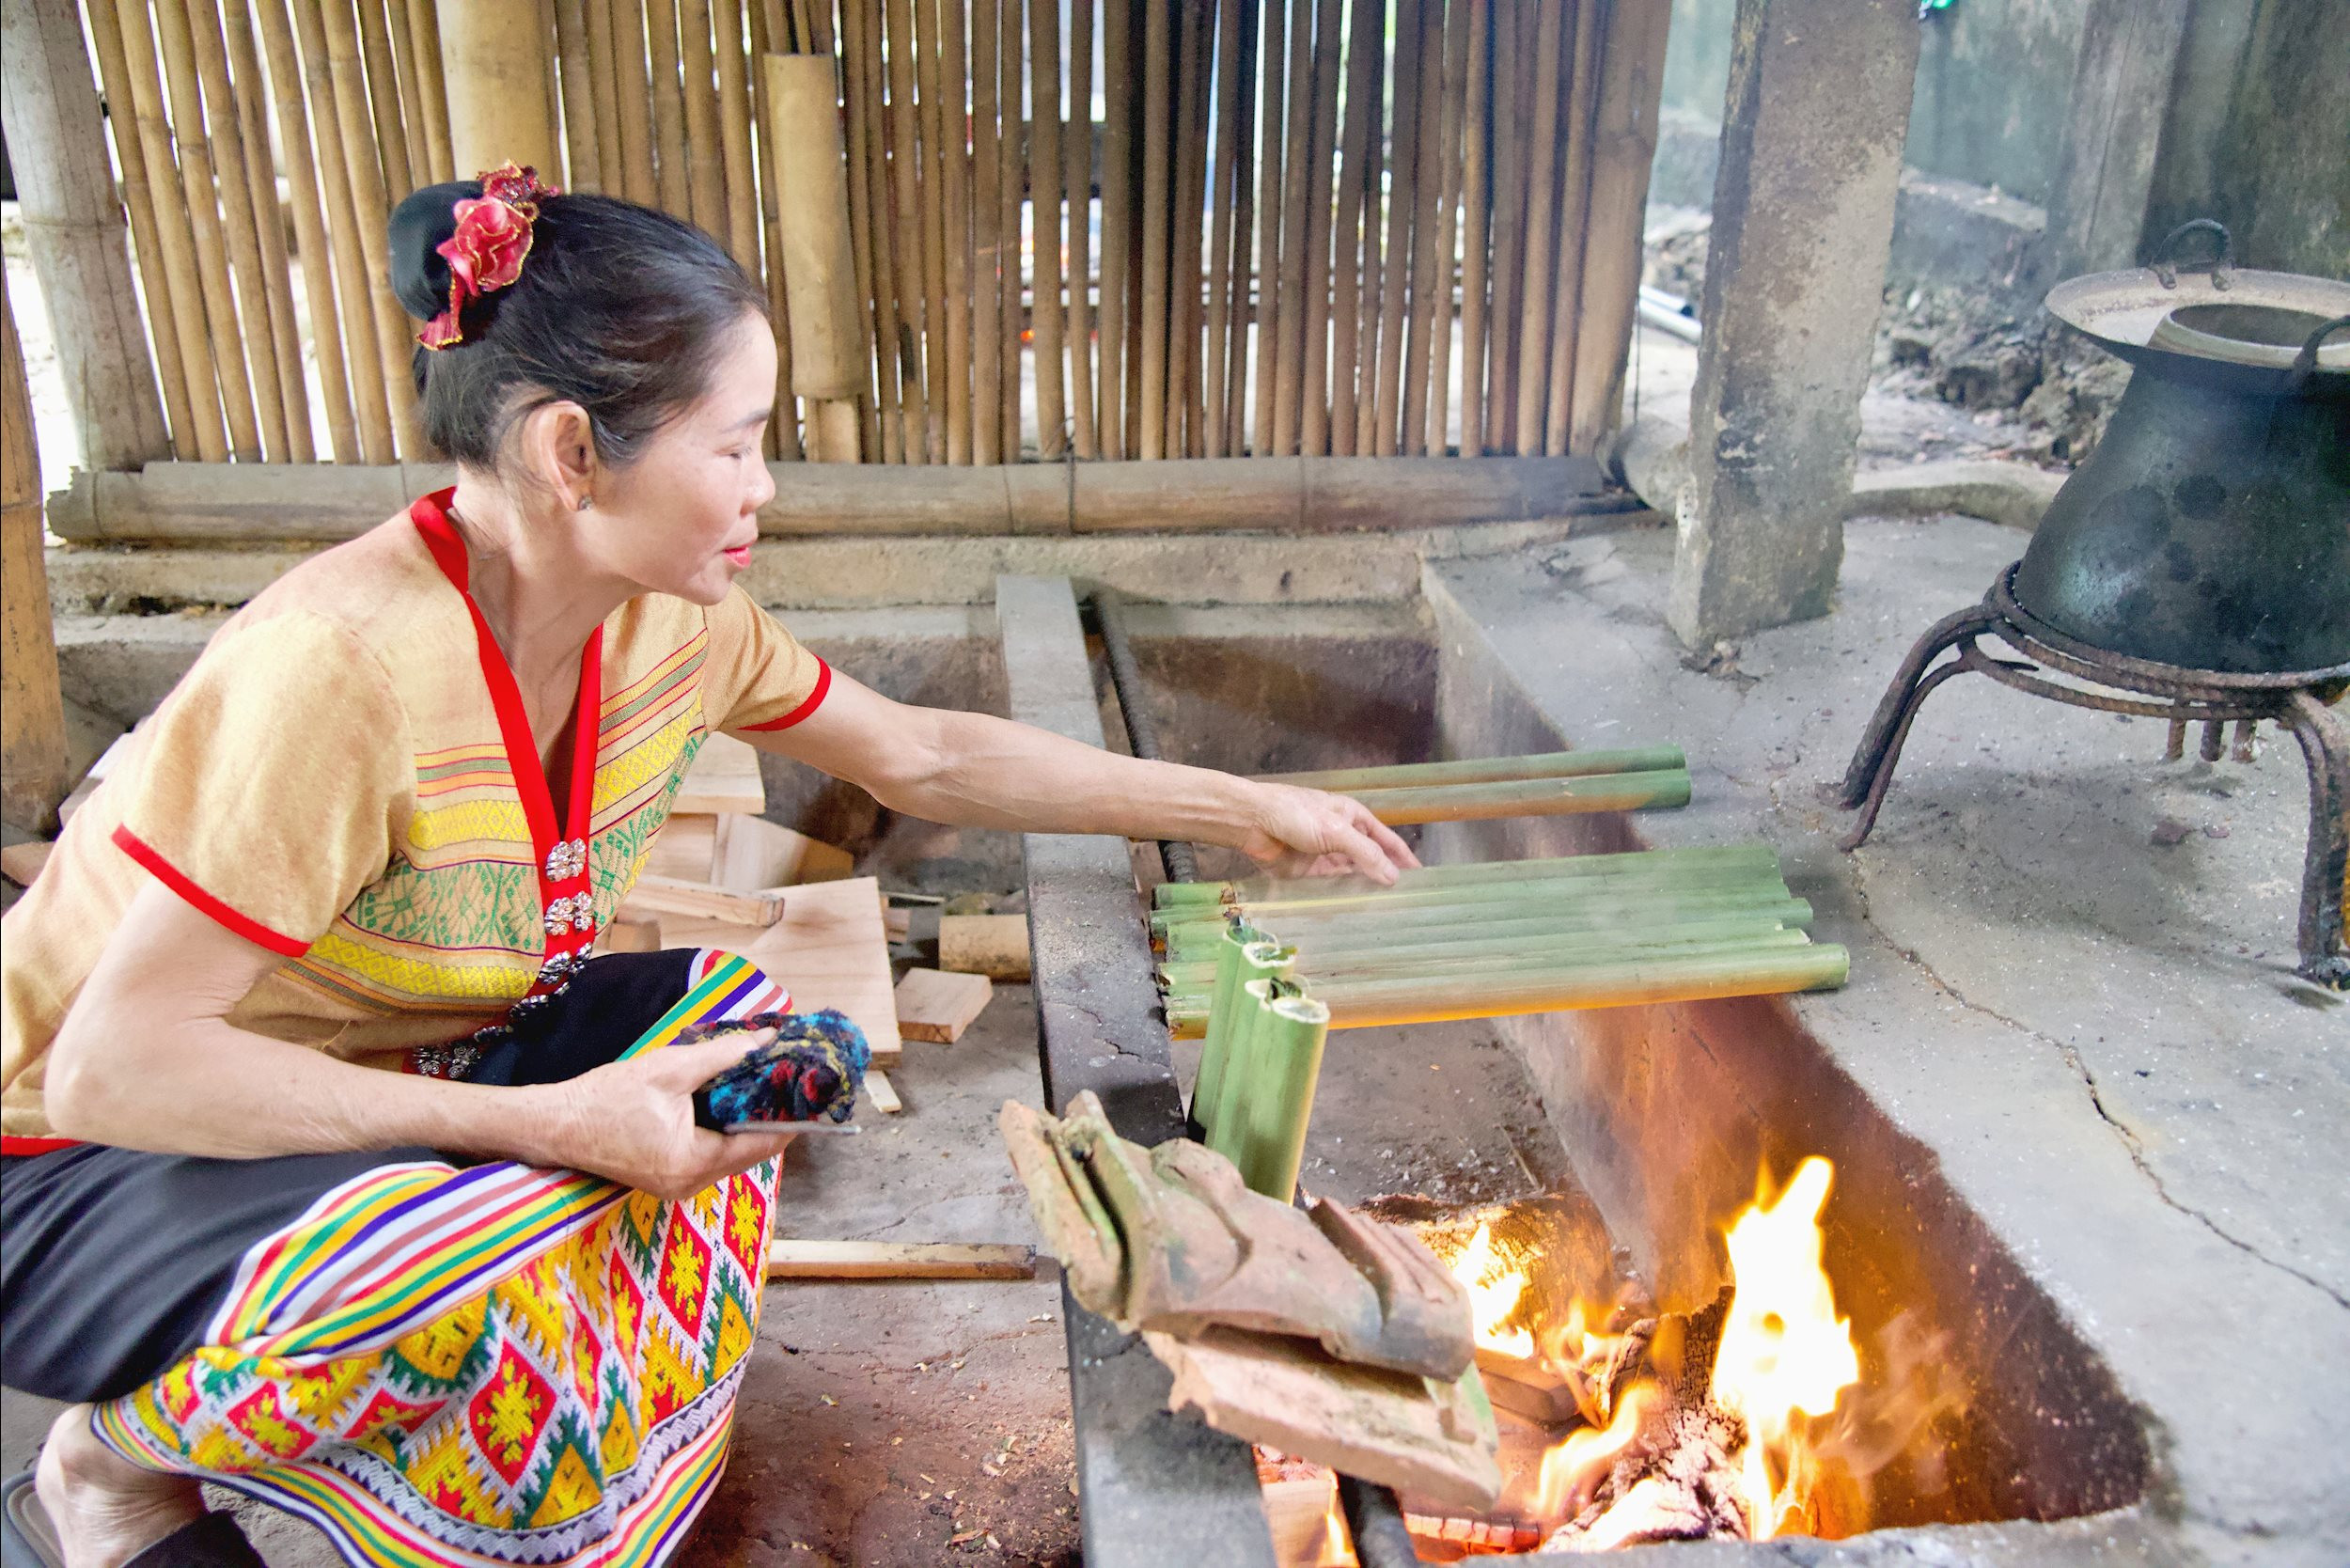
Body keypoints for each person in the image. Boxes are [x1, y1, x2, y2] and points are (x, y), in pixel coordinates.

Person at [0, 165, 1415, 1568]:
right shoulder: (346, 672)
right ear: (571, 454)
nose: (765, 485)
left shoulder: (667, 626)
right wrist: (561, 1126)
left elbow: (917, 754)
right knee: (446, 1261)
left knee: (753, 1038)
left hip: (399, 1084)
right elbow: (114, 1071)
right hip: (84, 1166)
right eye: (733, 445)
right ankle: (110, 1472)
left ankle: (559, 1384)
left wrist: (1233, 803)